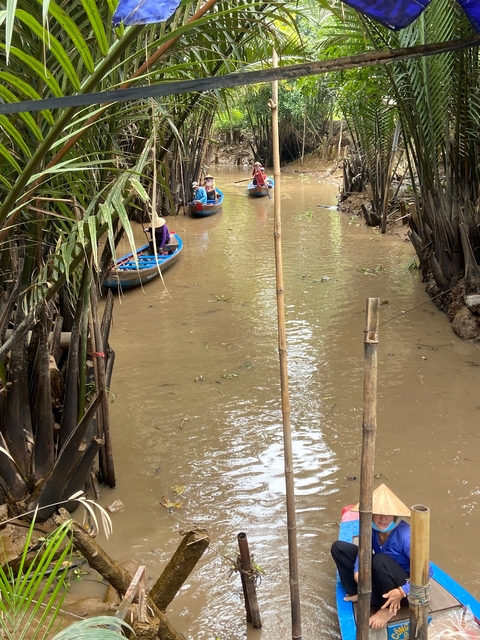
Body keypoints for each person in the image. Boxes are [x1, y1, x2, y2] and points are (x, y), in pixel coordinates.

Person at [331, 484, 433, 630]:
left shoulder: (406, 536)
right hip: (382, 577)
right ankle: (366, 595)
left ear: (395, 515)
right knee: (339, 548)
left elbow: (427, 572)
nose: (383, 518)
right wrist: (357, 570)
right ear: (371, 514)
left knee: (380, 560)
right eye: (378, 513)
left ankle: (387, 609)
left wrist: (402, 591)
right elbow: (364, 552)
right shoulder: (371, 528)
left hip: (403, 591)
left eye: (387, 514)